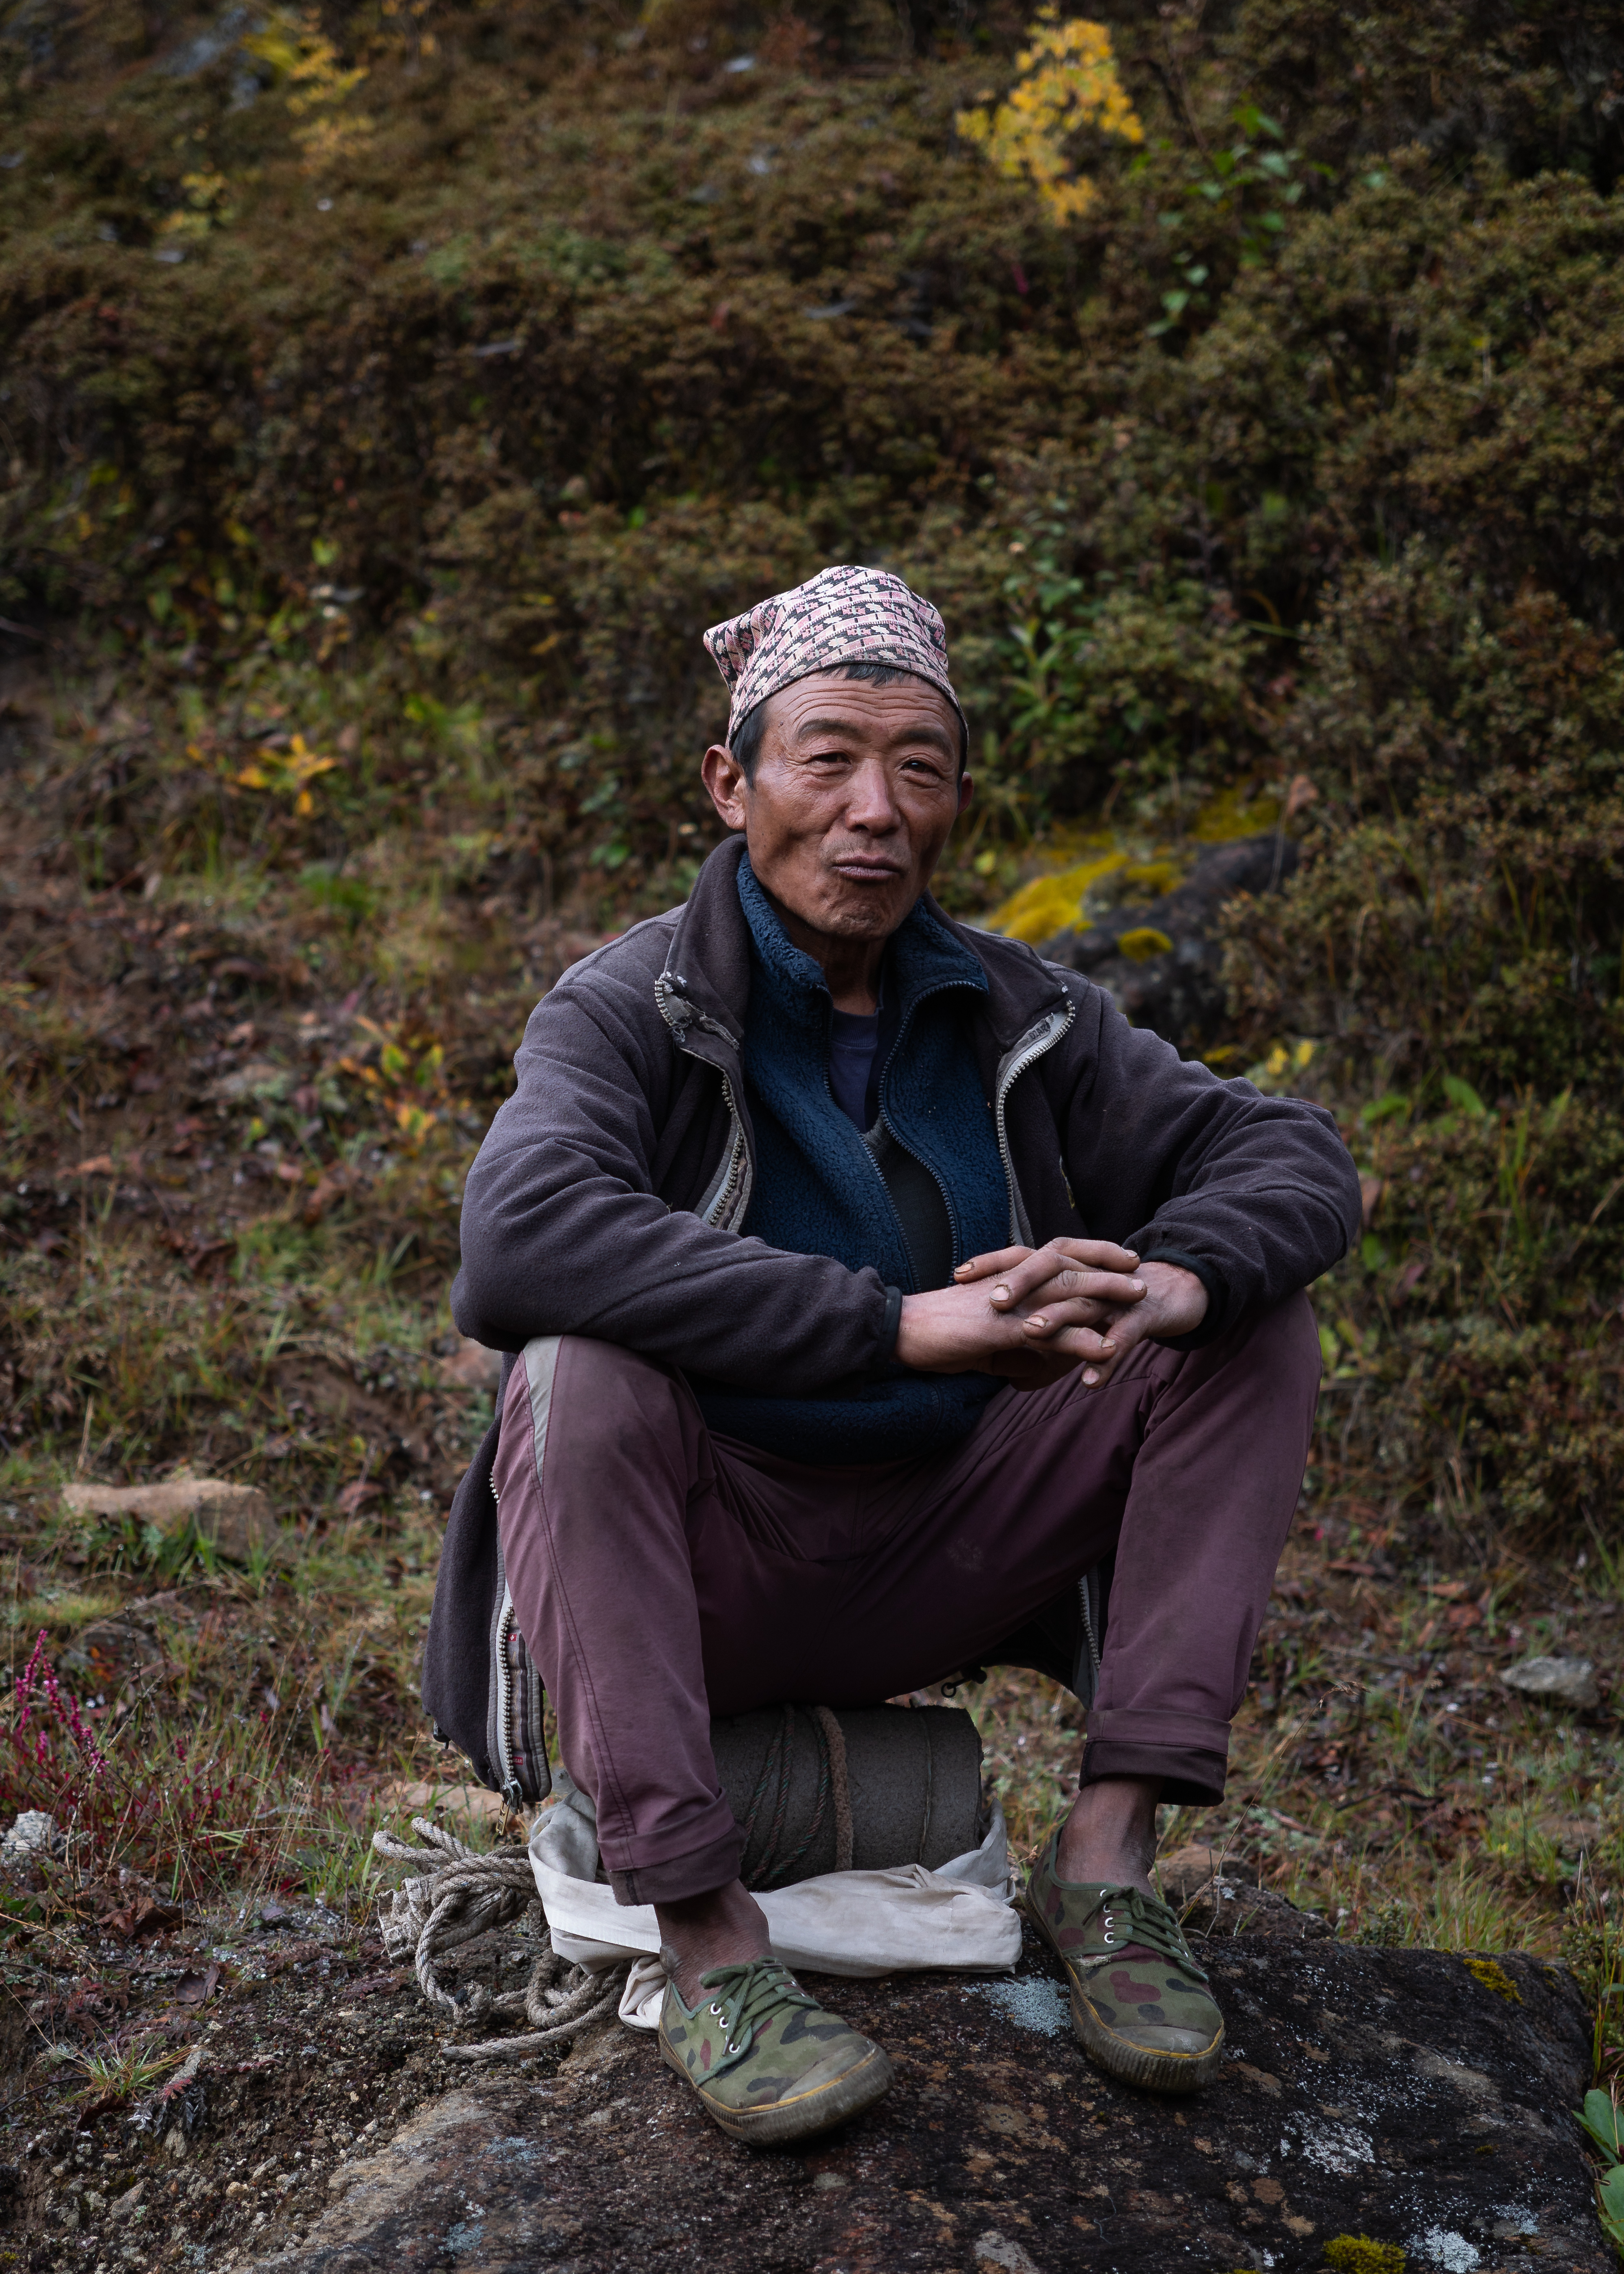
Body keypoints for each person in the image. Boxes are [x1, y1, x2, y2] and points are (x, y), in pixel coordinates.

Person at [452, 564, 1361, 2143]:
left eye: (918, 767)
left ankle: (1110, 1864)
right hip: (703, 1560)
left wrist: (1170, 1280)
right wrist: (898, 1320)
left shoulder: (1018, 1009)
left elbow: (1293, 1159)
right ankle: (711, 1937)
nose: (873, 808)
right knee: (572, 1371)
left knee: (1247, 1319)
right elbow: (519, 1241)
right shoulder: (628, 1004)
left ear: (953, 800)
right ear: (734, 783)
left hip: (946, 1535)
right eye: (827, 758)